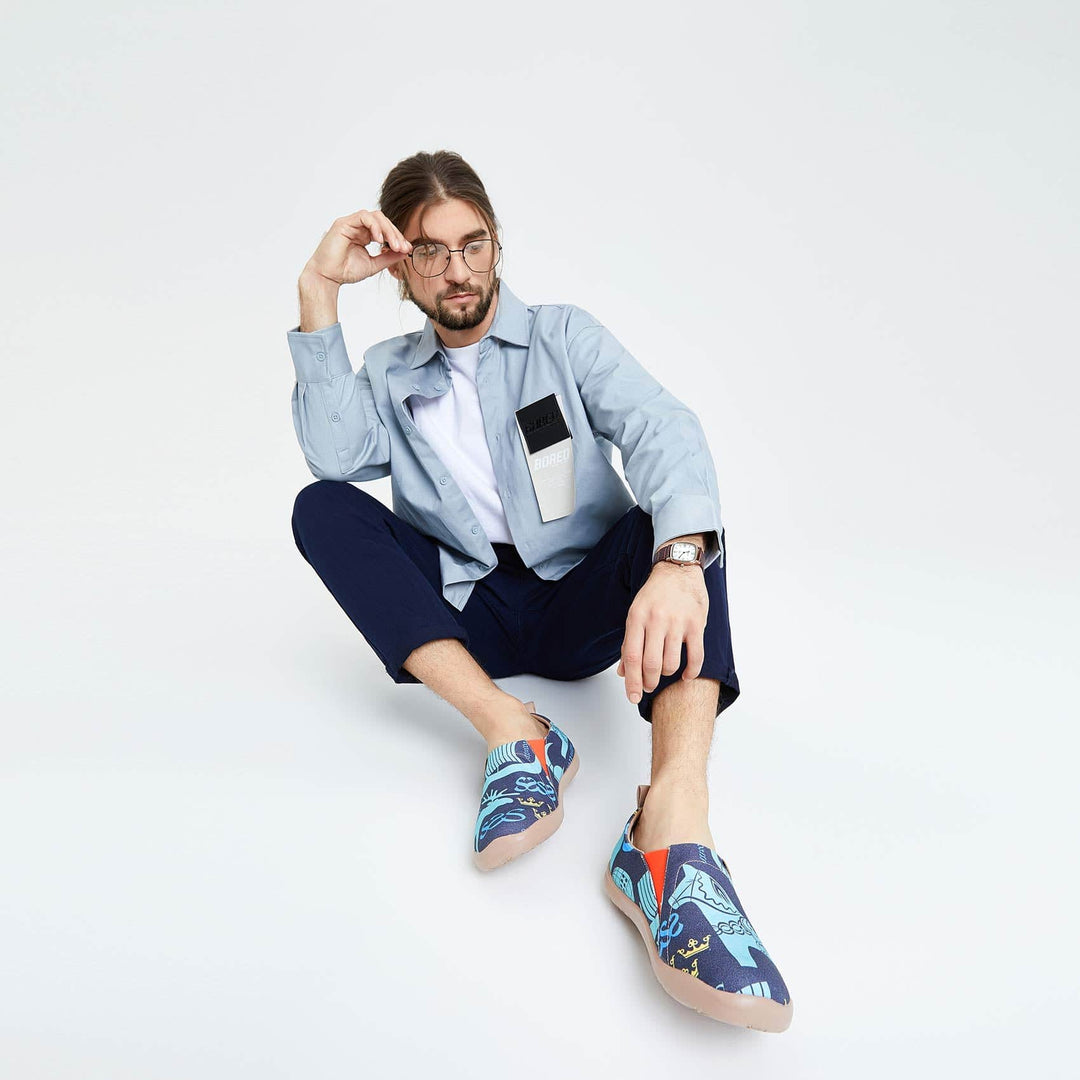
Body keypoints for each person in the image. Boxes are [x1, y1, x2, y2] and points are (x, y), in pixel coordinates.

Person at [286, 149, 792, 1032]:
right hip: (467, 607)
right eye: (431, 251)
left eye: (473, 244)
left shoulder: (563, 337)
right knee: (321, 508)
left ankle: (671, 833)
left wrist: (677, 565)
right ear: (399, 266)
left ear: (496, 245)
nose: (457, 270)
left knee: (683, 527)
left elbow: (662, 427)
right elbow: (335, 457)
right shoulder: (390, 372)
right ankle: (515, 733)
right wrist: (319, 292)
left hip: (575, 603)